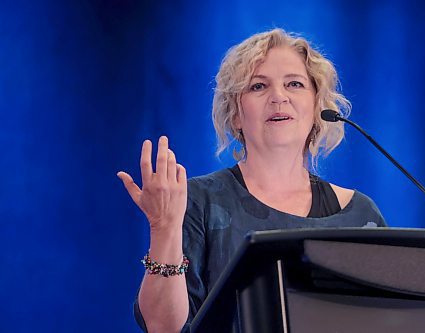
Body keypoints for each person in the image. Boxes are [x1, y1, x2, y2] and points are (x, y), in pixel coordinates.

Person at [117, 28, 386, 333]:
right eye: (258, 86)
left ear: (317, 107)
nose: (278, 97)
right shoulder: (198, 201)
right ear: (235, 115)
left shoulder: (361, 215)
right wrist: (163, 229)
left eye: (294, 84)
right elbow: (163, 327)